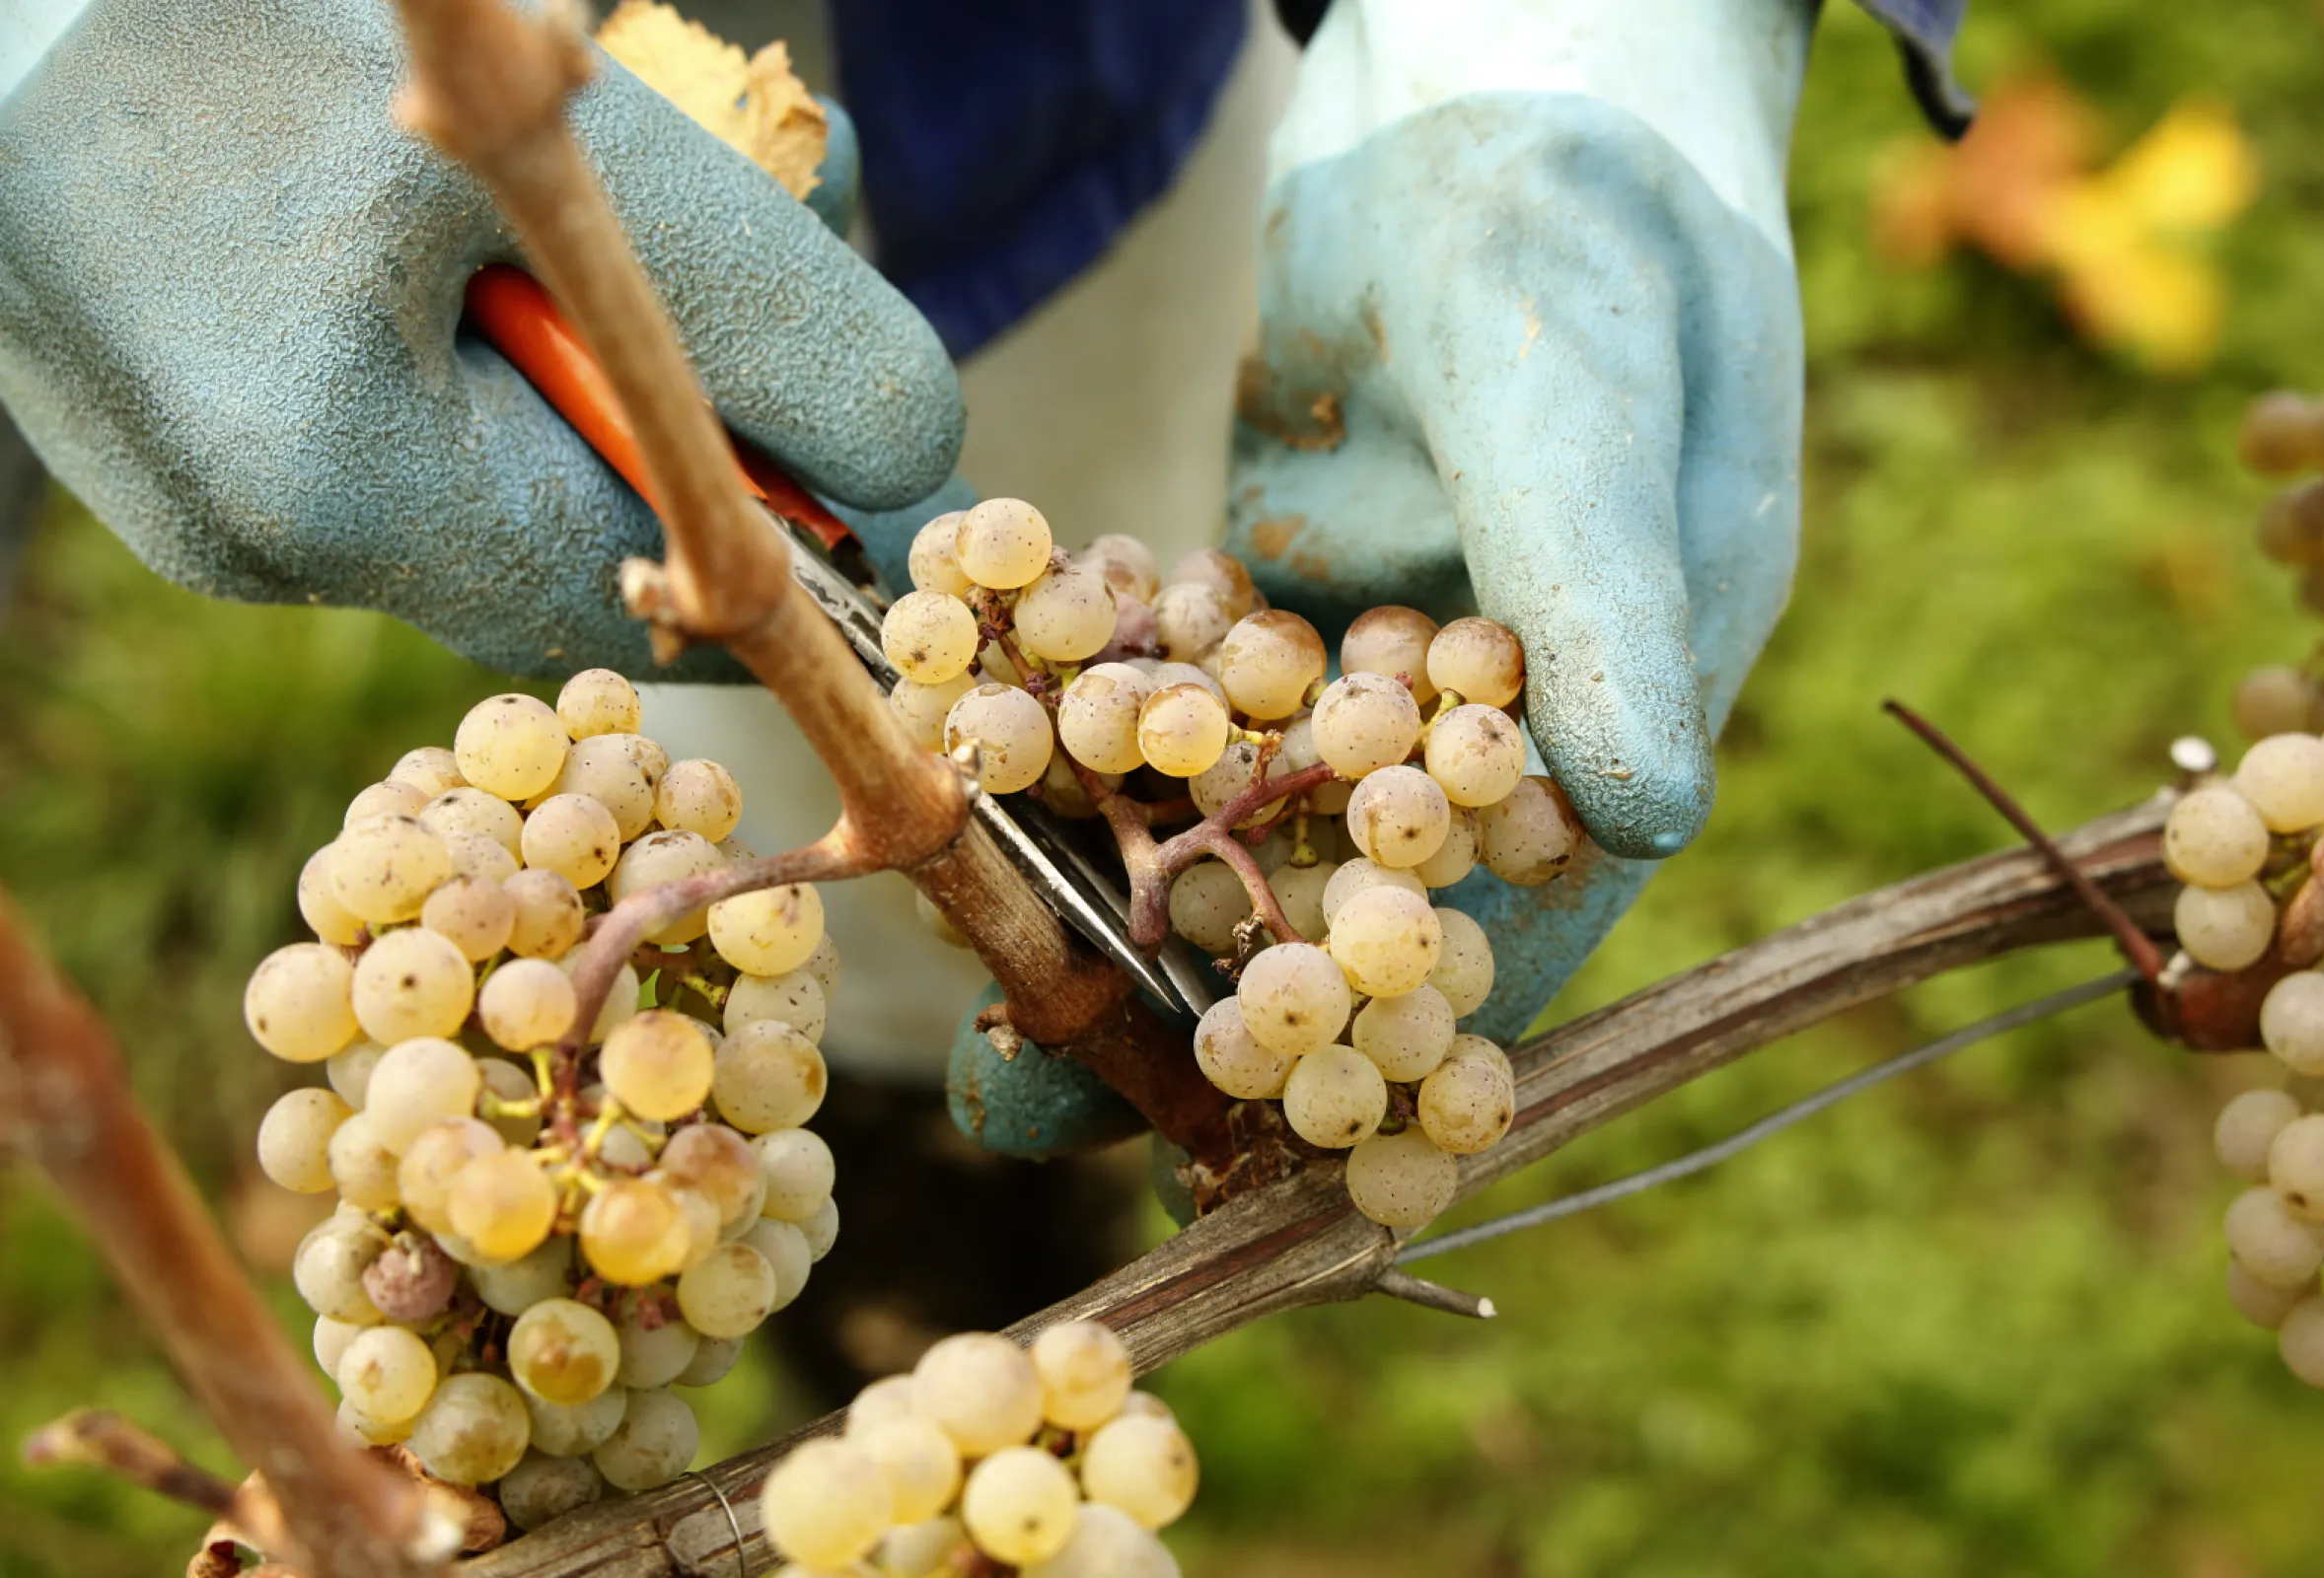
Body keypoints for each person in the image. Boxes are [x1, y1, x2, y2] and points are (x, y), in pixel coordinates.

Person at [0, 0, 1972, 1128]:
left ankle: (909, 1240)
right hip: (131, 190)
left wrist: (1579, 26)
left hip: (1050, 102)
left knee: (948, 882)